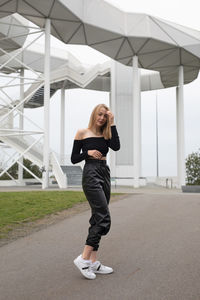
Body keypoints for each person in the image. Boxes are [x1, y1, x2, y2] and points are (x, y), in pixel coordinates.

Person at [71, 103, 120, 280]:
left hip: (104, 172)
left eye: (105, 116)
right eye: (99, 115)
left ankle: (93, 262)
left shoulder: (106, 134)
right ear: (94, 115)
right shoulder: (82, 133)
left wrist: (112, 123)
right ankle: (83, 259)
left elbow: (116, 146)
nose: (101, 118)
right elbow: (74, 158)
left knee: (97, 217)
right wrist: (88, 152)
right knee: (103, 217)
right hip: (91, 172)